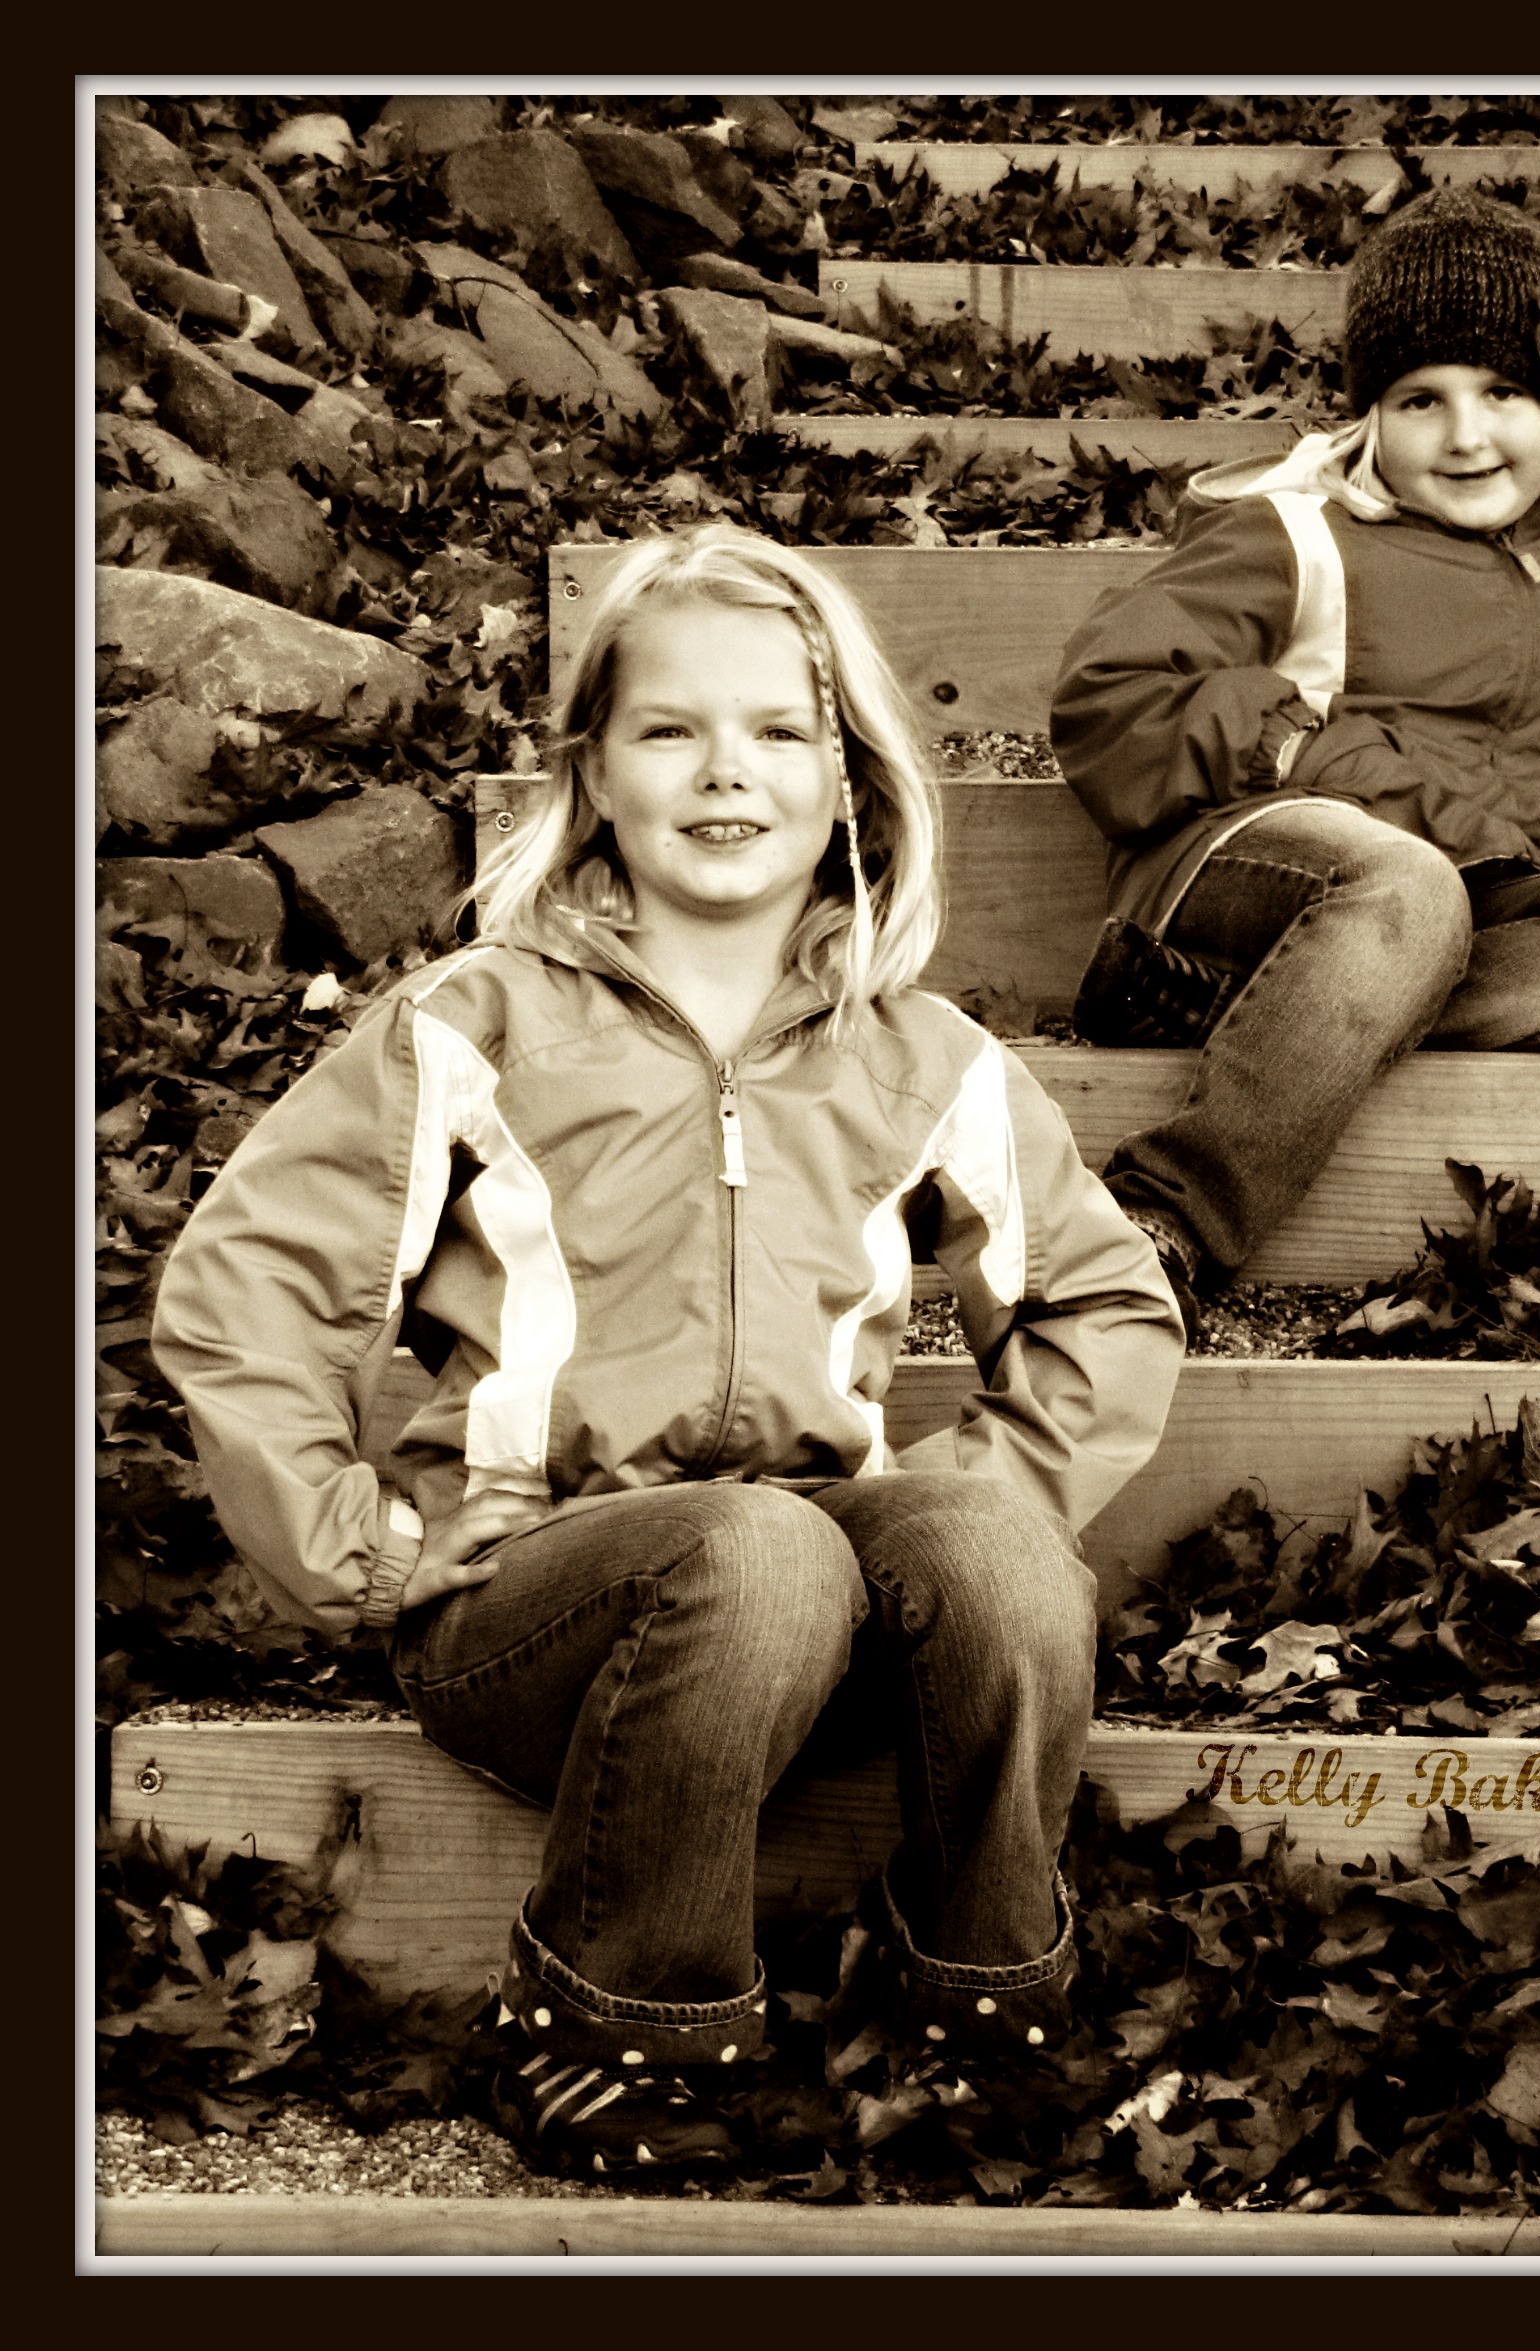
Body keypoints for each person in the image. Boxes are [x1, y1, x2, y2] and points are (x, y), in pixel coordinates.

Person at [151, 524, 1185, 2178]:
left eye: (776, 730)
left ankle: (982, 1994)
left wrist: (976, 1488)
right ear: (591, 771)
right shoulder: (473, 1030)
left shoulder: (923, 1058)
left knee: (984, 1546)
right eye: (668, 728)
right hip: (534, 1607)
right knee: (754, 1547)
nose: (725, 771)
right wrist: (358, 1543)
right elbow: (246, 1282)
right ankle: (607, 2018)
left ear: (845, 781)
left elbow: (1099, 1304)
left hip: (822, 1616)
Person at [1051, 188, 1540, 1340]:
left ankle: (1255, 1014)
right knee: (1409, 881)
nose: (1465, 435)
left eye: (1502, 392)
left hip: (1461, 887)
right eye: (1419, 399)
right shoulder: (1294, 536)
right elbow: (1111, 693)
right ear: (1369, 416)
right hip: (1257, 852)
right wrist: (1287, 740)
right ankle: (1159, 1216)